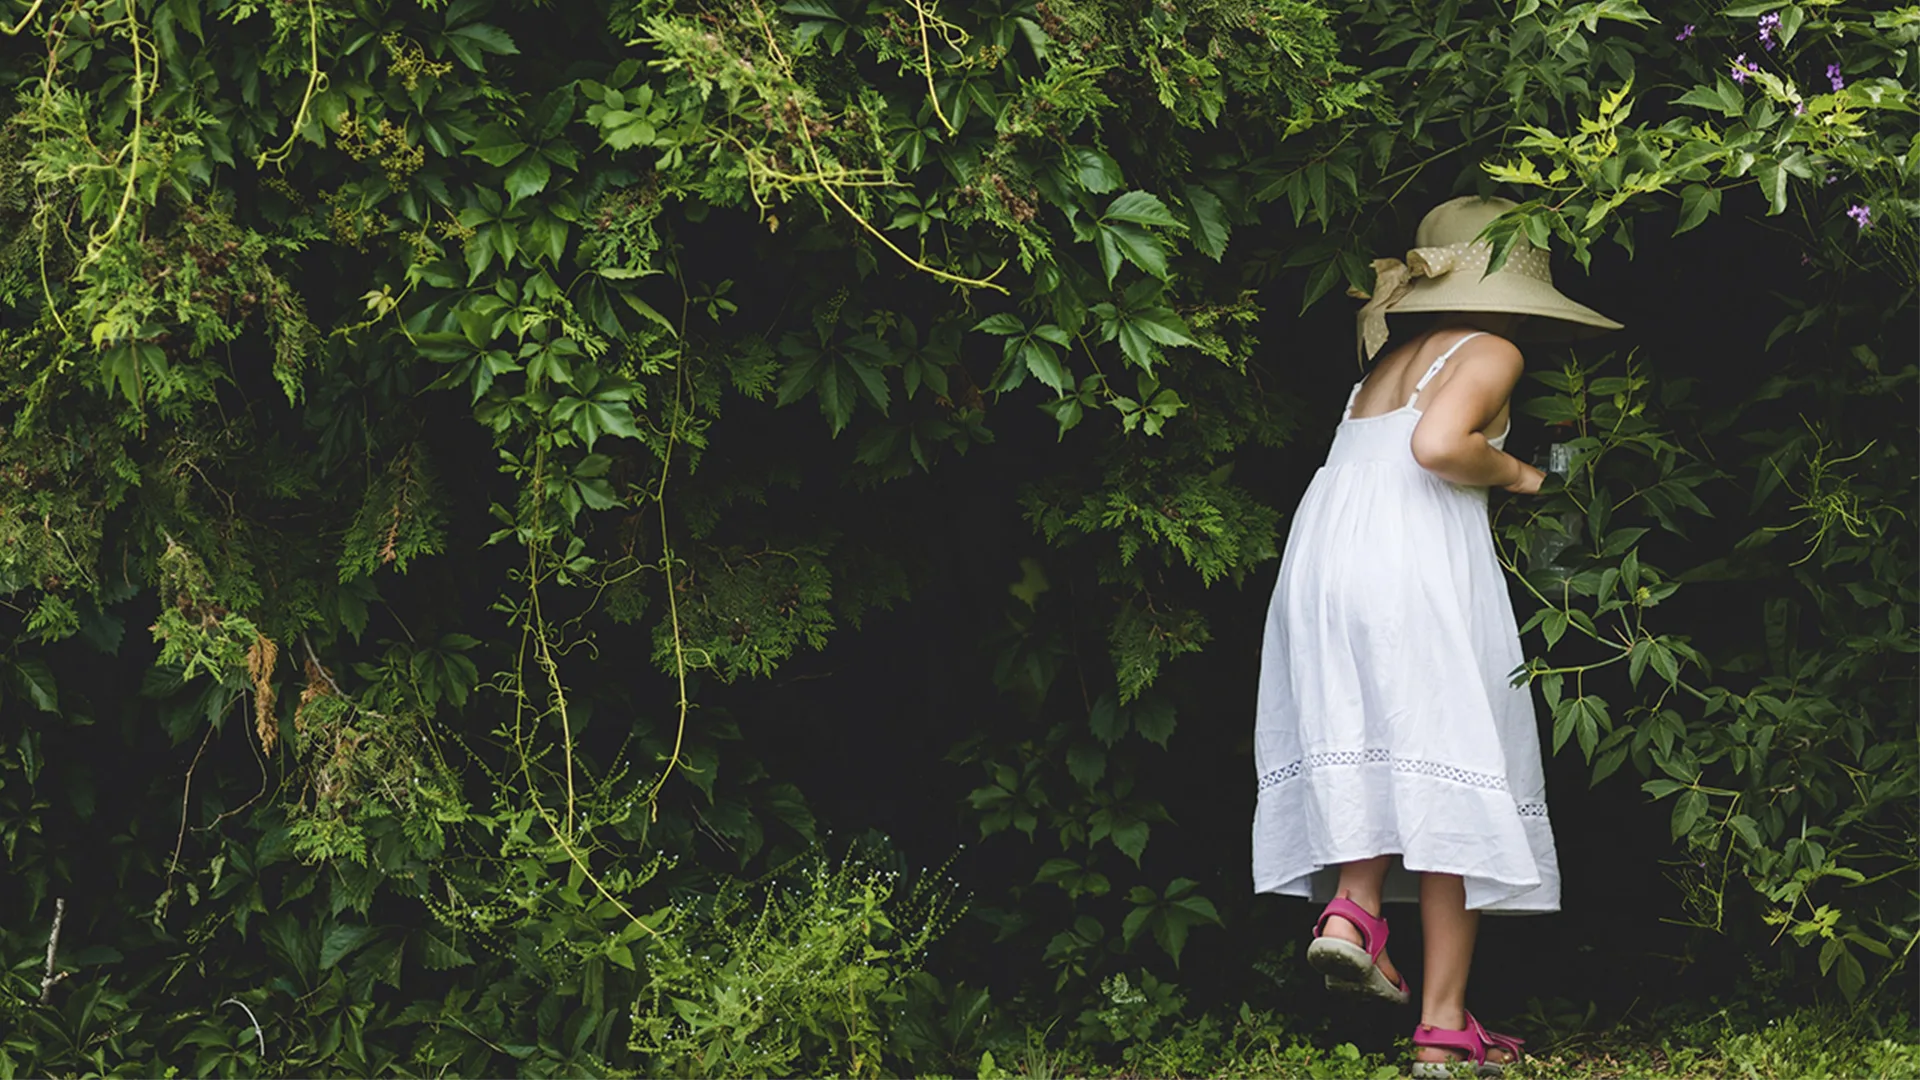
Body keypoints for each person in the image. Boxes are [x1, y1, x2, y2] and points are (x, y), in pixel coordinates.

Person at [1250, 195, 1622, 1078]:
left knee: (1378, 746)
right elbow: (1437, 446)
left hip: (1325, 564)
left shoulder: (1387, 360)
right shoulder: (1494, 350)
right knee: (1455, 766)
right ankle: (1441, 1025)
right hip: (1409, 566)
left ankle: (1354, 912)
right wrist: (1524, 474)